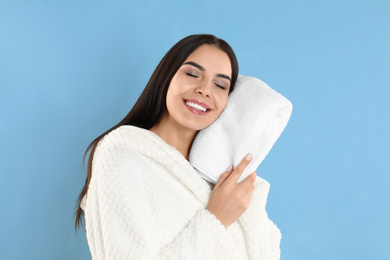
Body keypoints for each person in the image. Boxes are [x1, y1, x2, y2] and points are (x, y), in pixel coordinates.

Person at [74, 34, 281, 259]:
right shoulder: (122, 155)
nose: (205, 90)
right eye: (192, 74)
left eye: (220, 85)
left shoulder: (220, 177)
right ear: (166, 77)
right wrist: (216, 218)